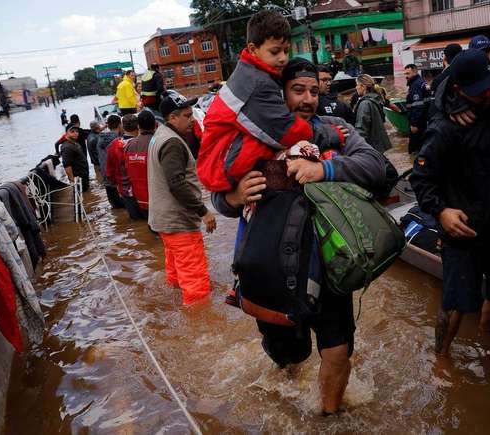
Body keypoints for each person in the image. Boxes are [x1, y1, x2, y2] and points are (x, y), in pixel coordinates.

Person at [211, 57, 386, 415]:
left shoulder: (335, 128)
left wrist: (324, 167)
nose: (308, 99)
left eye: (313, 90)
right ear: (280, 94)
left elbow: (376, 167)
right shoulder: (254, 137)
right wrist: (234, 195)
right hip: (270, 269)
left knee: (337, 350)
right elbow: (218, 197)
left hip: (329, 263)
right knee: (290, 355)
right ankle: (286, 386)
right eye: (297, 90)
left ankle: (328, 418)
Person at [410, 49, 490, 356]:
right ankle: (441, 359)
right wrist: (441, 211)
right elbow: (421, 177)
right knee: (455, 301)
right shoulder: (445, 127)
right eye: (479, 91)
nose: (489, 94)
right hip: (462, 227)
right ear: (460, 90)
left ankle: (488, 347)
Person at [198, 10, 321, 193]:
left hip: (219, 162)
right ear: (253, 49)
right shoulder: (256, 83)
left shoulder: (253, 74)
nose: (283, 58)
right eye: (275, 51)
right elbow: (288, 132)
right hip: (220, 167)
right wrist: (328, 134)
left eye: (286, 51)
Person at [148, 91, 216, 306]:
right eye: (187, 116)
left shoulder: (159, 136)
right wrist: (203, 212)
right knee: (196, 284)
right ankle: (198, 327)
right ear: (172, 118)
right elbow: (177, 183)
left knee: (177, 273)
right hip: (179, 222)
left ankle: (175, 308)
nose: (192, 120)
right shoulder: (173, 143)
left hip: (163, 220)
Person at [106, 114, 142, 219]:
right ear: (138, 126)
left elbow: (109, 172)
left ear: (122, 126)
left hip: (125, 189)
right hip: (143, 188)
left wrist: (115, 183)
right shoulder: (142, 143)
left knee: (135, 219)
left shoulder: (113, 146)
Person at [124, 110, 156, 216]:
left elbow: (127, 172)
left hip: (140, 200)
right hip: (159, 200)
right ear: (155, 124)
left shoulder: (129, 146)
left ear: (138, 126)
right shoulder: (158, 142)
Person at [353, 74, 392, 153]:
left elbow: (361, 128)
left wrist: (357, 148)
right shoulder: (376, 99)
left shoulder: (365, 103)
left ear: (363, 87)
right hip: (379, 145)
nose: (356, 87)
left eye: (357, 85)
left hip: (370, 146)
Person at [97, 115, 125, 209]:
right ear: (120, 125)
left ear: (108, 126)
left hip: (106, 178)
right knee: (125, 208)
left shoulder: (100, 139)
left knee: (116, 209)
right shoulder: (118, 141)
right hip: (117, 179)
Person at [405, 63, 430, 154]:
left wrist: (414, 124)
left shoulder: (416, 85)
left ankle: (418, 166)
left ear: (415, 72)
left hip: (419, 122)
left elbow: (418, 105)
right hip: (424, 119)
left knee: (416, 150)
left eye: (408, 73)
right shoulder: (421, 82)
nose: (406, 76)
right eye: (405, 74)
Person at [59, 124, 90, 192]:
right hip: (78, 178)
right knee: (82, 197)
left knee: (87, 195)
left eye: (77, 131)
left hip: (83, 175)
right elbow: (67, 166)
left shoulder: (75, 143)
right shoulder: (67, 147)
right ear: (66, 133)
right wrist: (73, 182)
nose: (75, 133)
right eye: (72, 131)